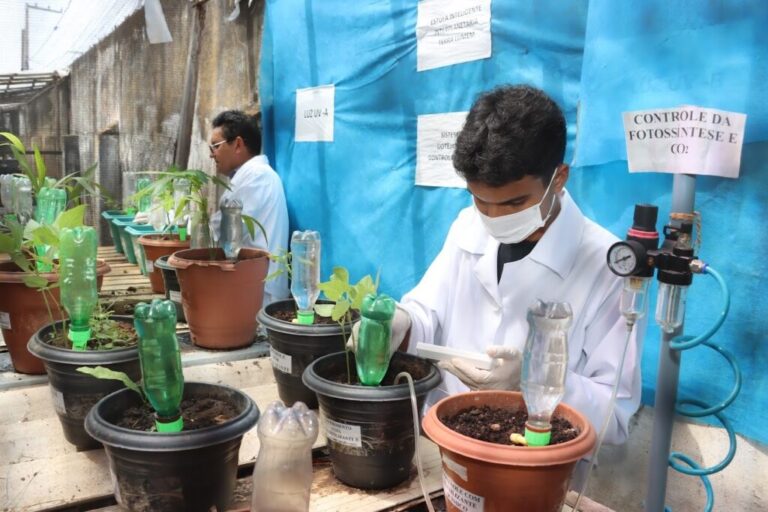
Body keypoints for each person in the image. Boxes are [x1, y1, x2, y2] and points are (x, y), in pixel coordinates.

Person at [359, 85, 643, 445]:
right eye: (481, 200)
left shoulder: (606, 267)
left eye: (513, 204)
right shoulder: (466, 226)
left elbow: (613, 416)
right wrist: (403, 325)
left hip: (532, 463)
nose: (493, 217)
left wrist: (532, 381)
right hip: (442, 441)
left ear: (559, 179)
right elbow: (428, 316)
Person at [209, 110, 290, 306]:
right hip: (251, 283)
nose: (211, 155)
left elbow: (226, 230)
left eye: (215, 146)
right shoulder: (250, 175)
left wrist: (200, 223)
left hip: (259, 291)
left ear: (237, 144)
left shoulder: (257, 177)